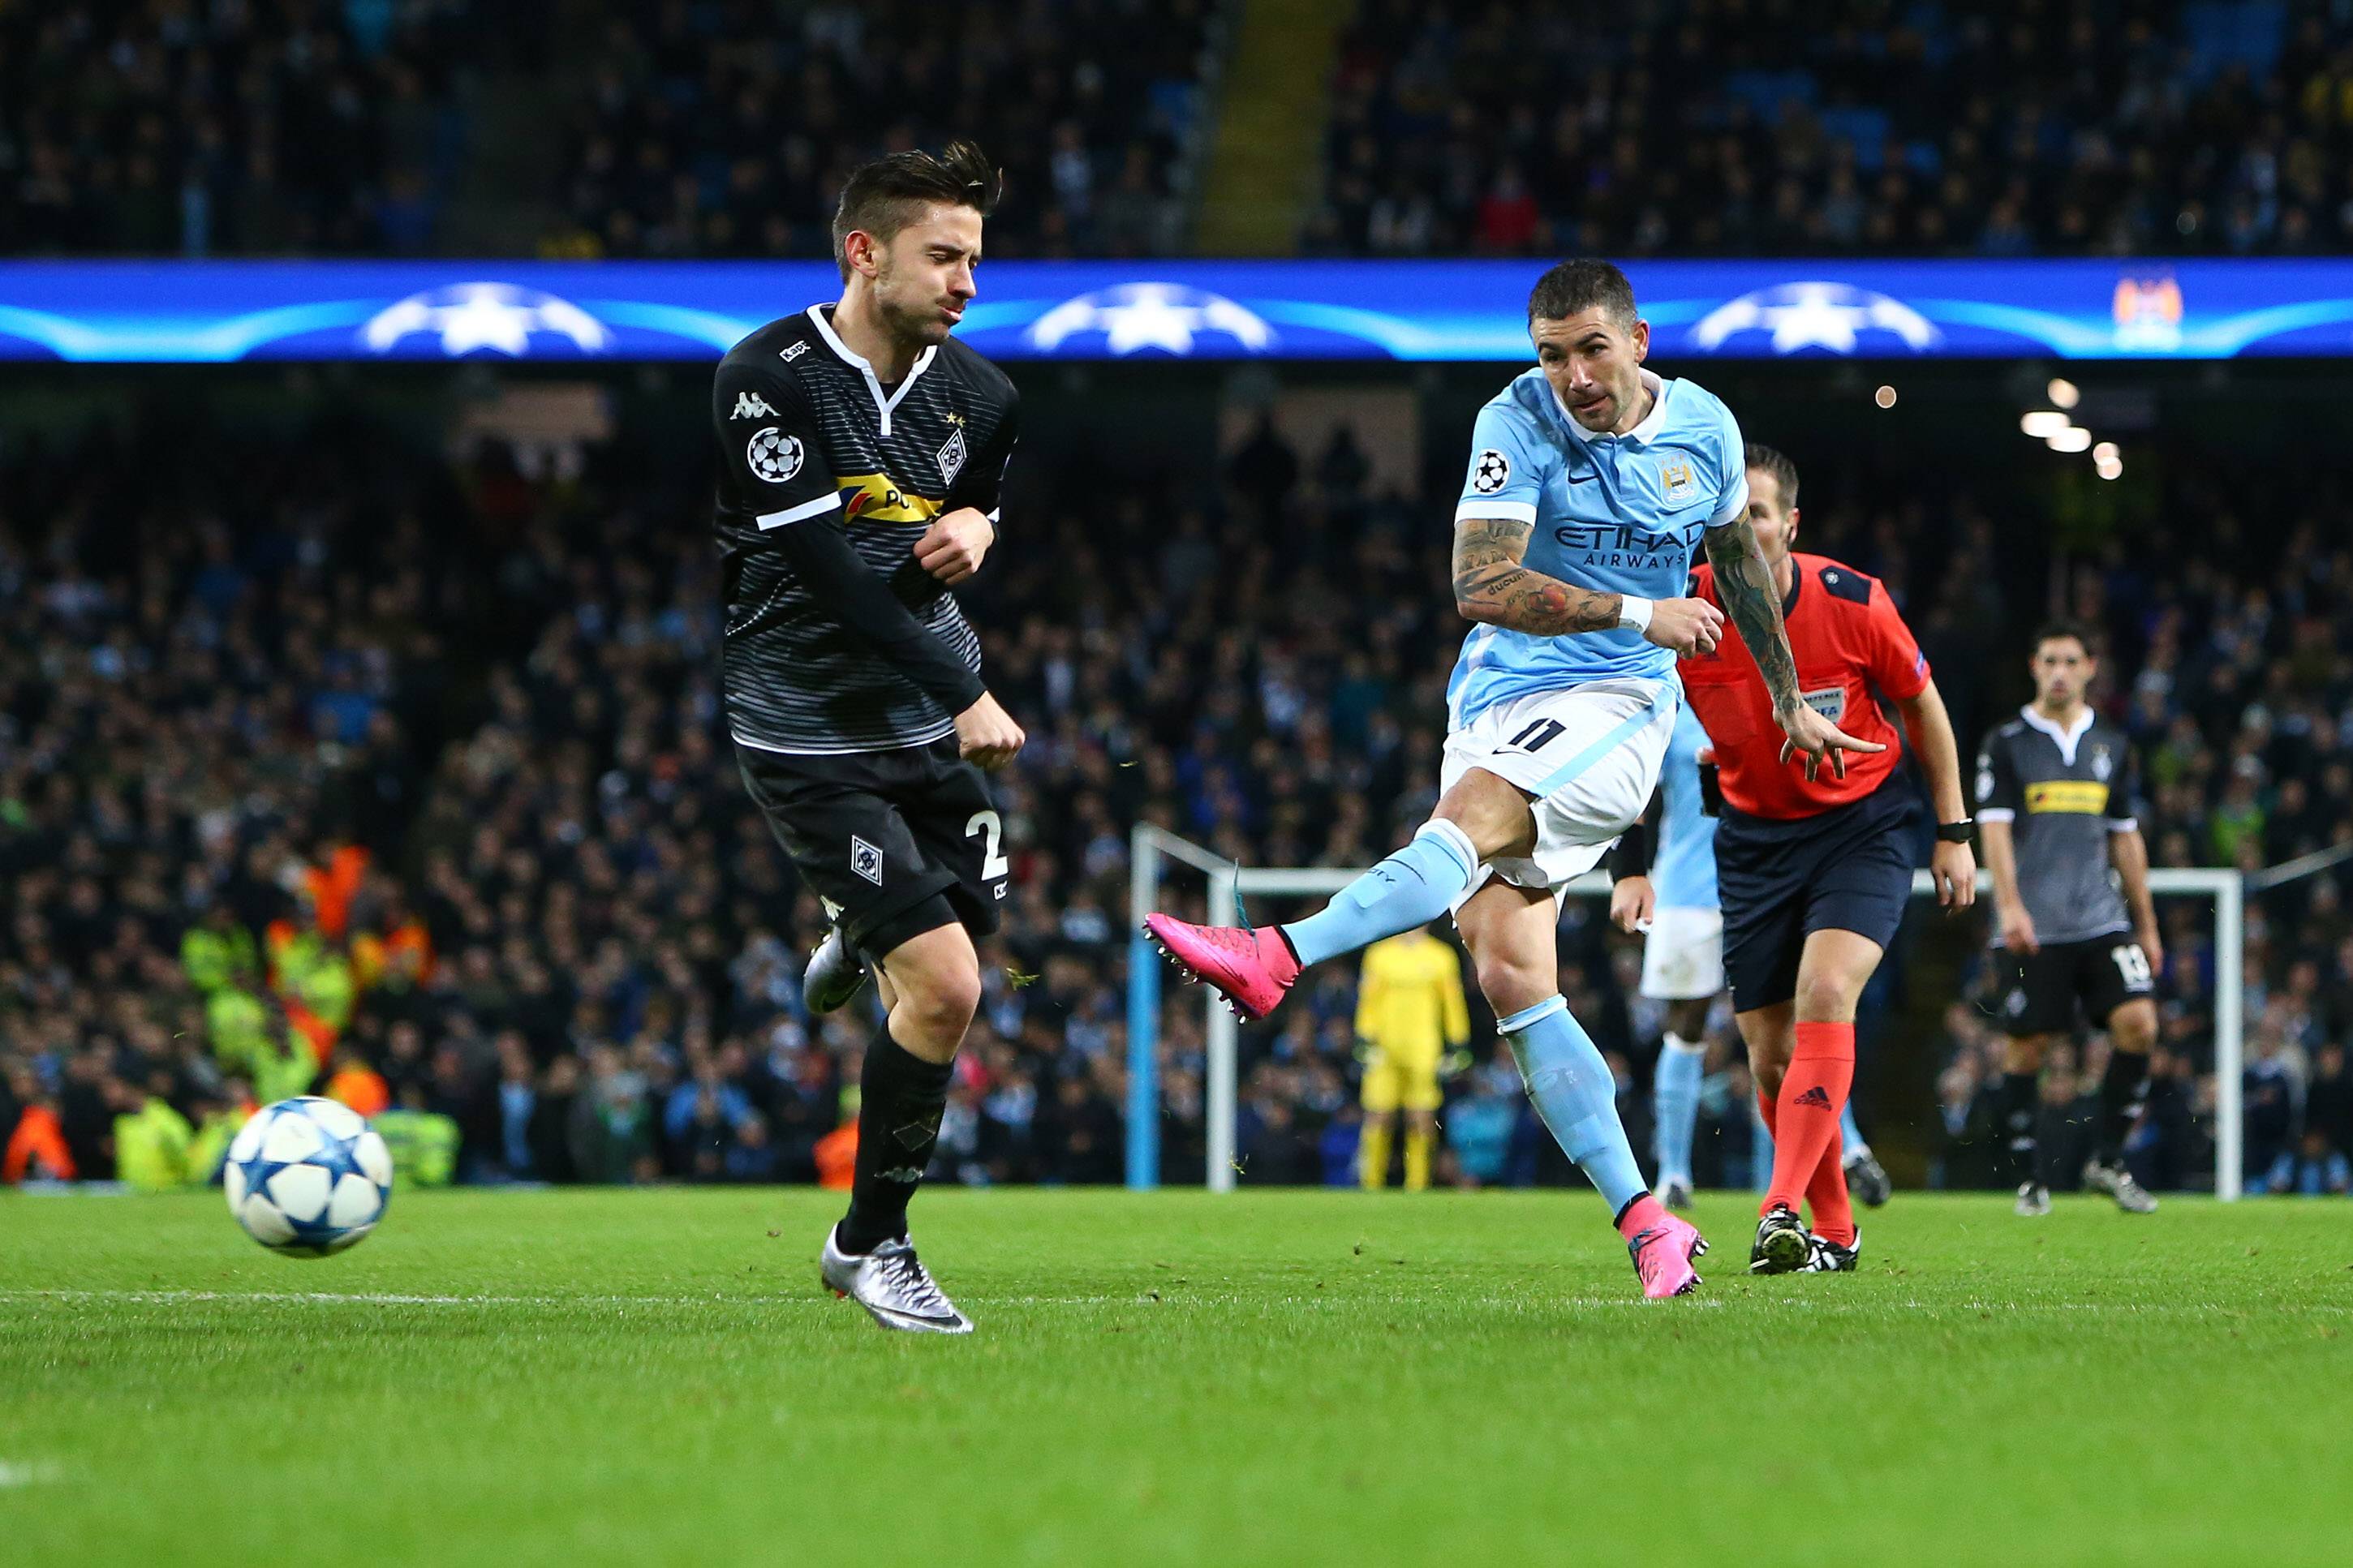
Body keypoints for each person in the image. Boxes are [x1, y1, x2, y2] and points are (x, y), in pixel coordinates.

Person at [1148, 260, 1865, 1300]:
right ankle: (1646, 1222)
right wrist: (1638, 606)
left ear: (1638, 341)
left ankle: (1277, 953)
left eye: (1590, 349)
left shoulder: (1703, 431)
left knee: (1468, 821)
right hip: (1496, 698)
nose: (1570, 374)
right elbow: (1477, 583)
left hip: (1618, 705)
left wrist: (1786, 694)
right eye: (1549, 353)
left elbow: (1741, 569)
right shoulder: (1515, 420)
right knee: (1510, 974)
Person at [711, 142, 1023, 1334]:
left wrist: (982, 529)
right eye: (944, 256)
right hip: (808, 732)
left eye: (975, 259)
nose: (966, 282)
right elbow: (833, 572)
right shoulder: (770, 378)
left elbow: (984, 491)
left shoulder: (983, 394)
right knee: (948, 989)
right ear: (865, 252)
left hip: (922, 726)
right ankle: (870, 1245)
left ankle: (854, 922)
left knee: (960, 945)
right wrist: (963, 689)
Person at [1680, 444, 1976, 1274]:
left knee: (1824, 990)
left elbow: (1921, 706)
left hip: (1863, 826)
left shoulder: (1853, 602)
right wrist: (1633, 857)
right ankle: (1836, 1232)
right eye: (1724, 518)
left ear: (1789, 525)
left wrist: (1951, 832)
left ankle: (1777, 1206)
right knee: (1768, 1059)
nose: (1740, 530)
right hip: (1751, 841)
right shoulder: (1686, 613)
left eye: (1757, 514)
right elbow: (1642, 727)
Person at [1611, 702, 1894, 1209]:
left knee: (1799, 1028)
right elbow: (1634, 793)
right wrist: (1630, 869)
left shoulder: (1779, 704)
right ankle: (1674, 1173)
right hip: (1686, 888)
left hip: (1768, 885)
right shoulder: (1671, 706)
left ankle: (1839, 1155)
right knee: (1687, 1026)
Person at [1975, 621, 2163, 1216]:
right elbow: (1995, 829)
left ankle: (2107, 1158)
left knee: (2140, 1024)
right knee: (2026, 1048)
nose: (2059, 671)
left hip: (2102, 920)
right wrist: (2008, 906)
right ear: (2034, 666)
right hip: (2035, 924)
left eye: (2070, 660)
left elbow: (2126, 838)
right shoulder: (2006, 742)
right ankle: (2030, 1177)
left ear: (2089, 668)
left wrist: (2148, 924)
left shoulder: (2111, 743)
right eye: (2049, 659)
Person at [1353, 926, 1470, 1191]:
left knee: (1421, 1116)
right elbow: (1369, 998)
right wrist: (1363, 1036)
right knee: (1378, 1115)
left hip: (1424, 1047)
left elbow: (1451, 1001)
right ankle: (1370, 1184)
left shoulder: (1441, 955)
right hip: (1384, 1046)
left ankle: (1417, 1185)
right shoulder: (1379, 954)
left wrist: (1457, 1040)